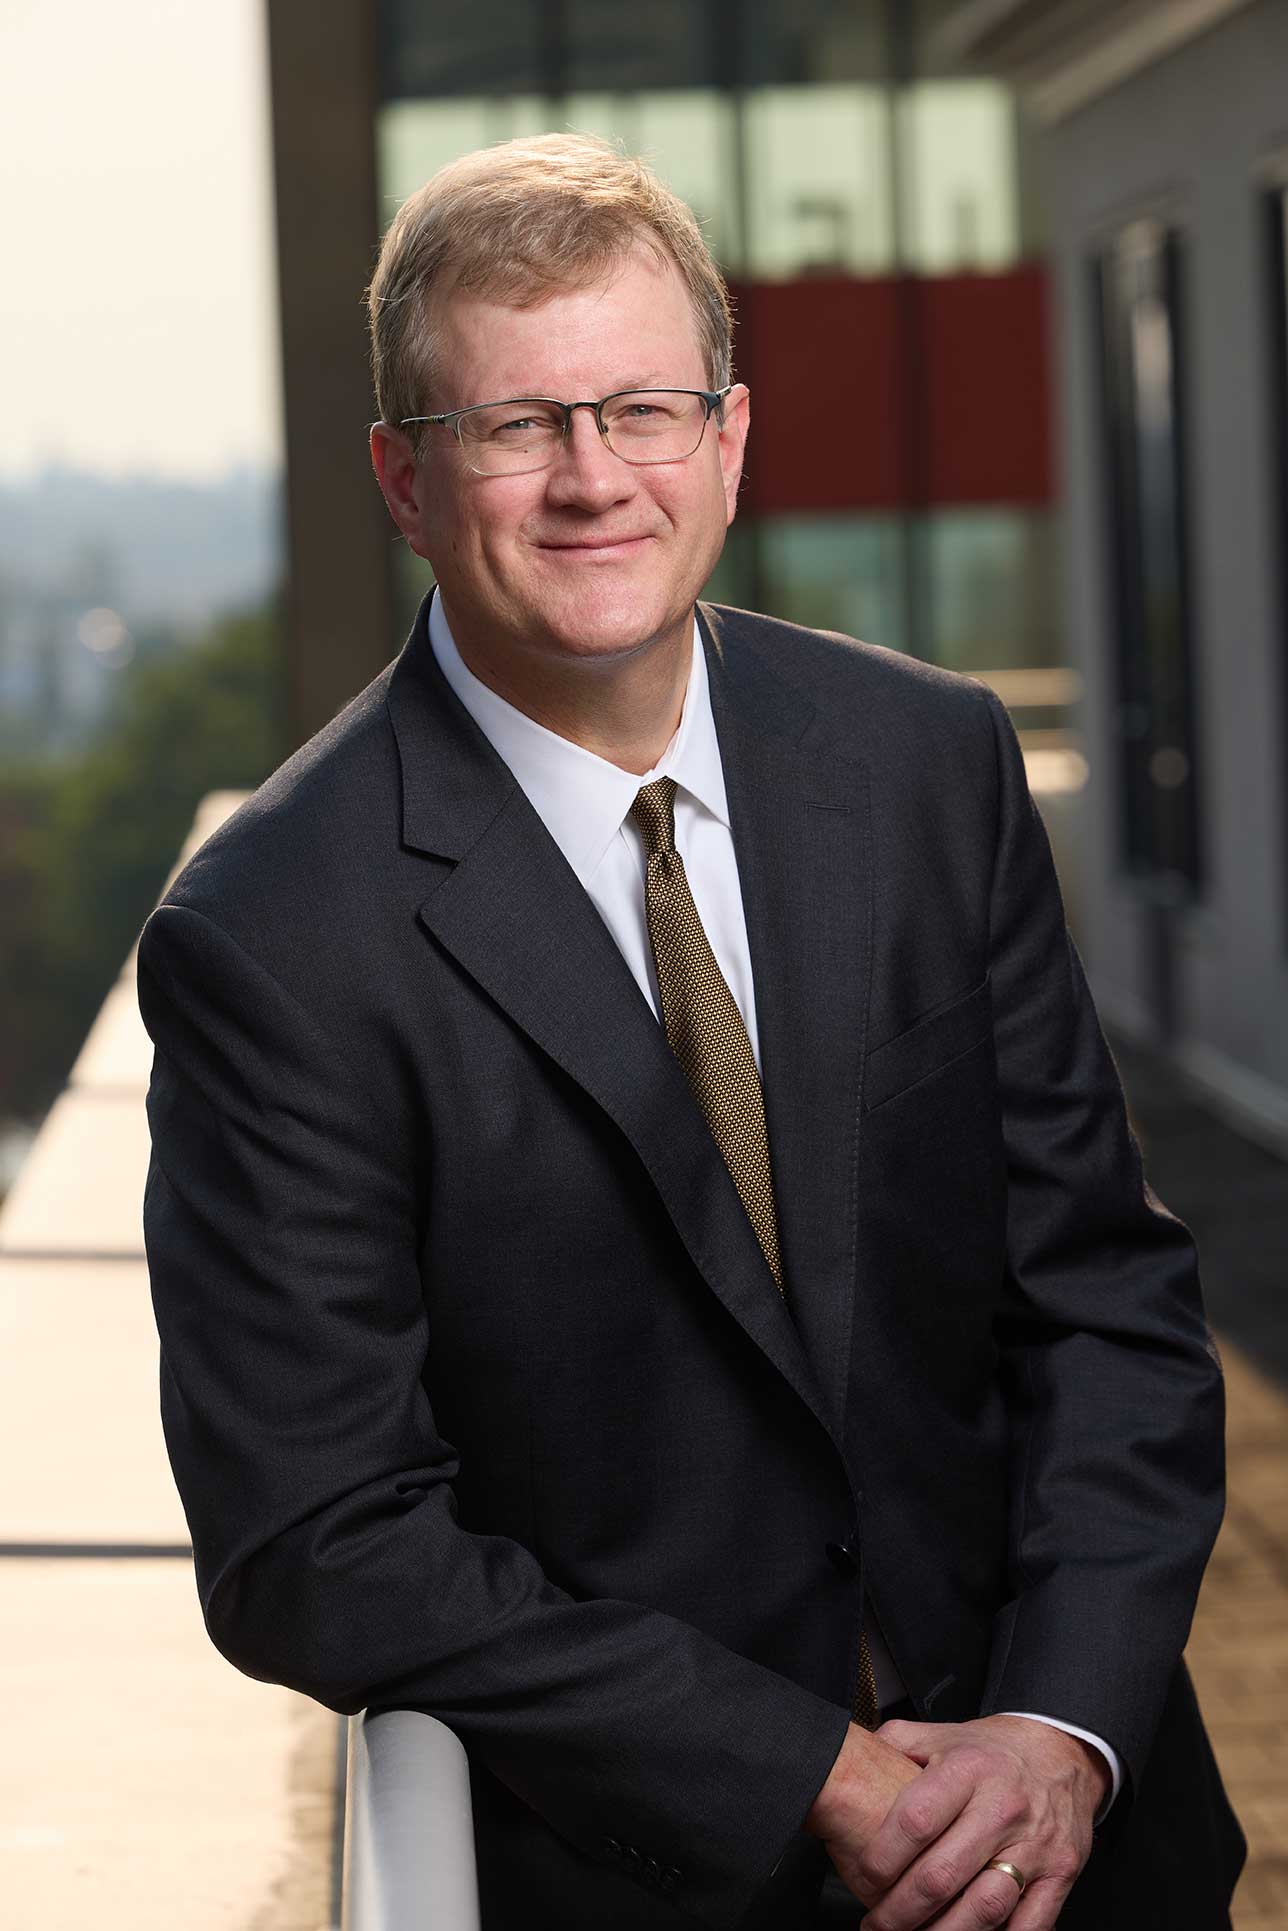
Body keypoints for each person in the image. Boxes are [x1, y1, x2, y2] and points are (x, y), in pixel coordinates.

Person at [138, 132, 1244, 1929]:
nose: (593, 480)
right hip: (671, 1885)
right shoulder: (272, 938)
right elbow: (316, 1542)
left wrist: (1056, 1728)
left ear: (727, 442)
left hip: (1080, 1854)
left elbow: (1106, 1303)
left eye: (644, 410)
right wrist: (810, 1772)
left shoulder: (923, 765)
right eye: (516, 426)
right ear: (403, 483)